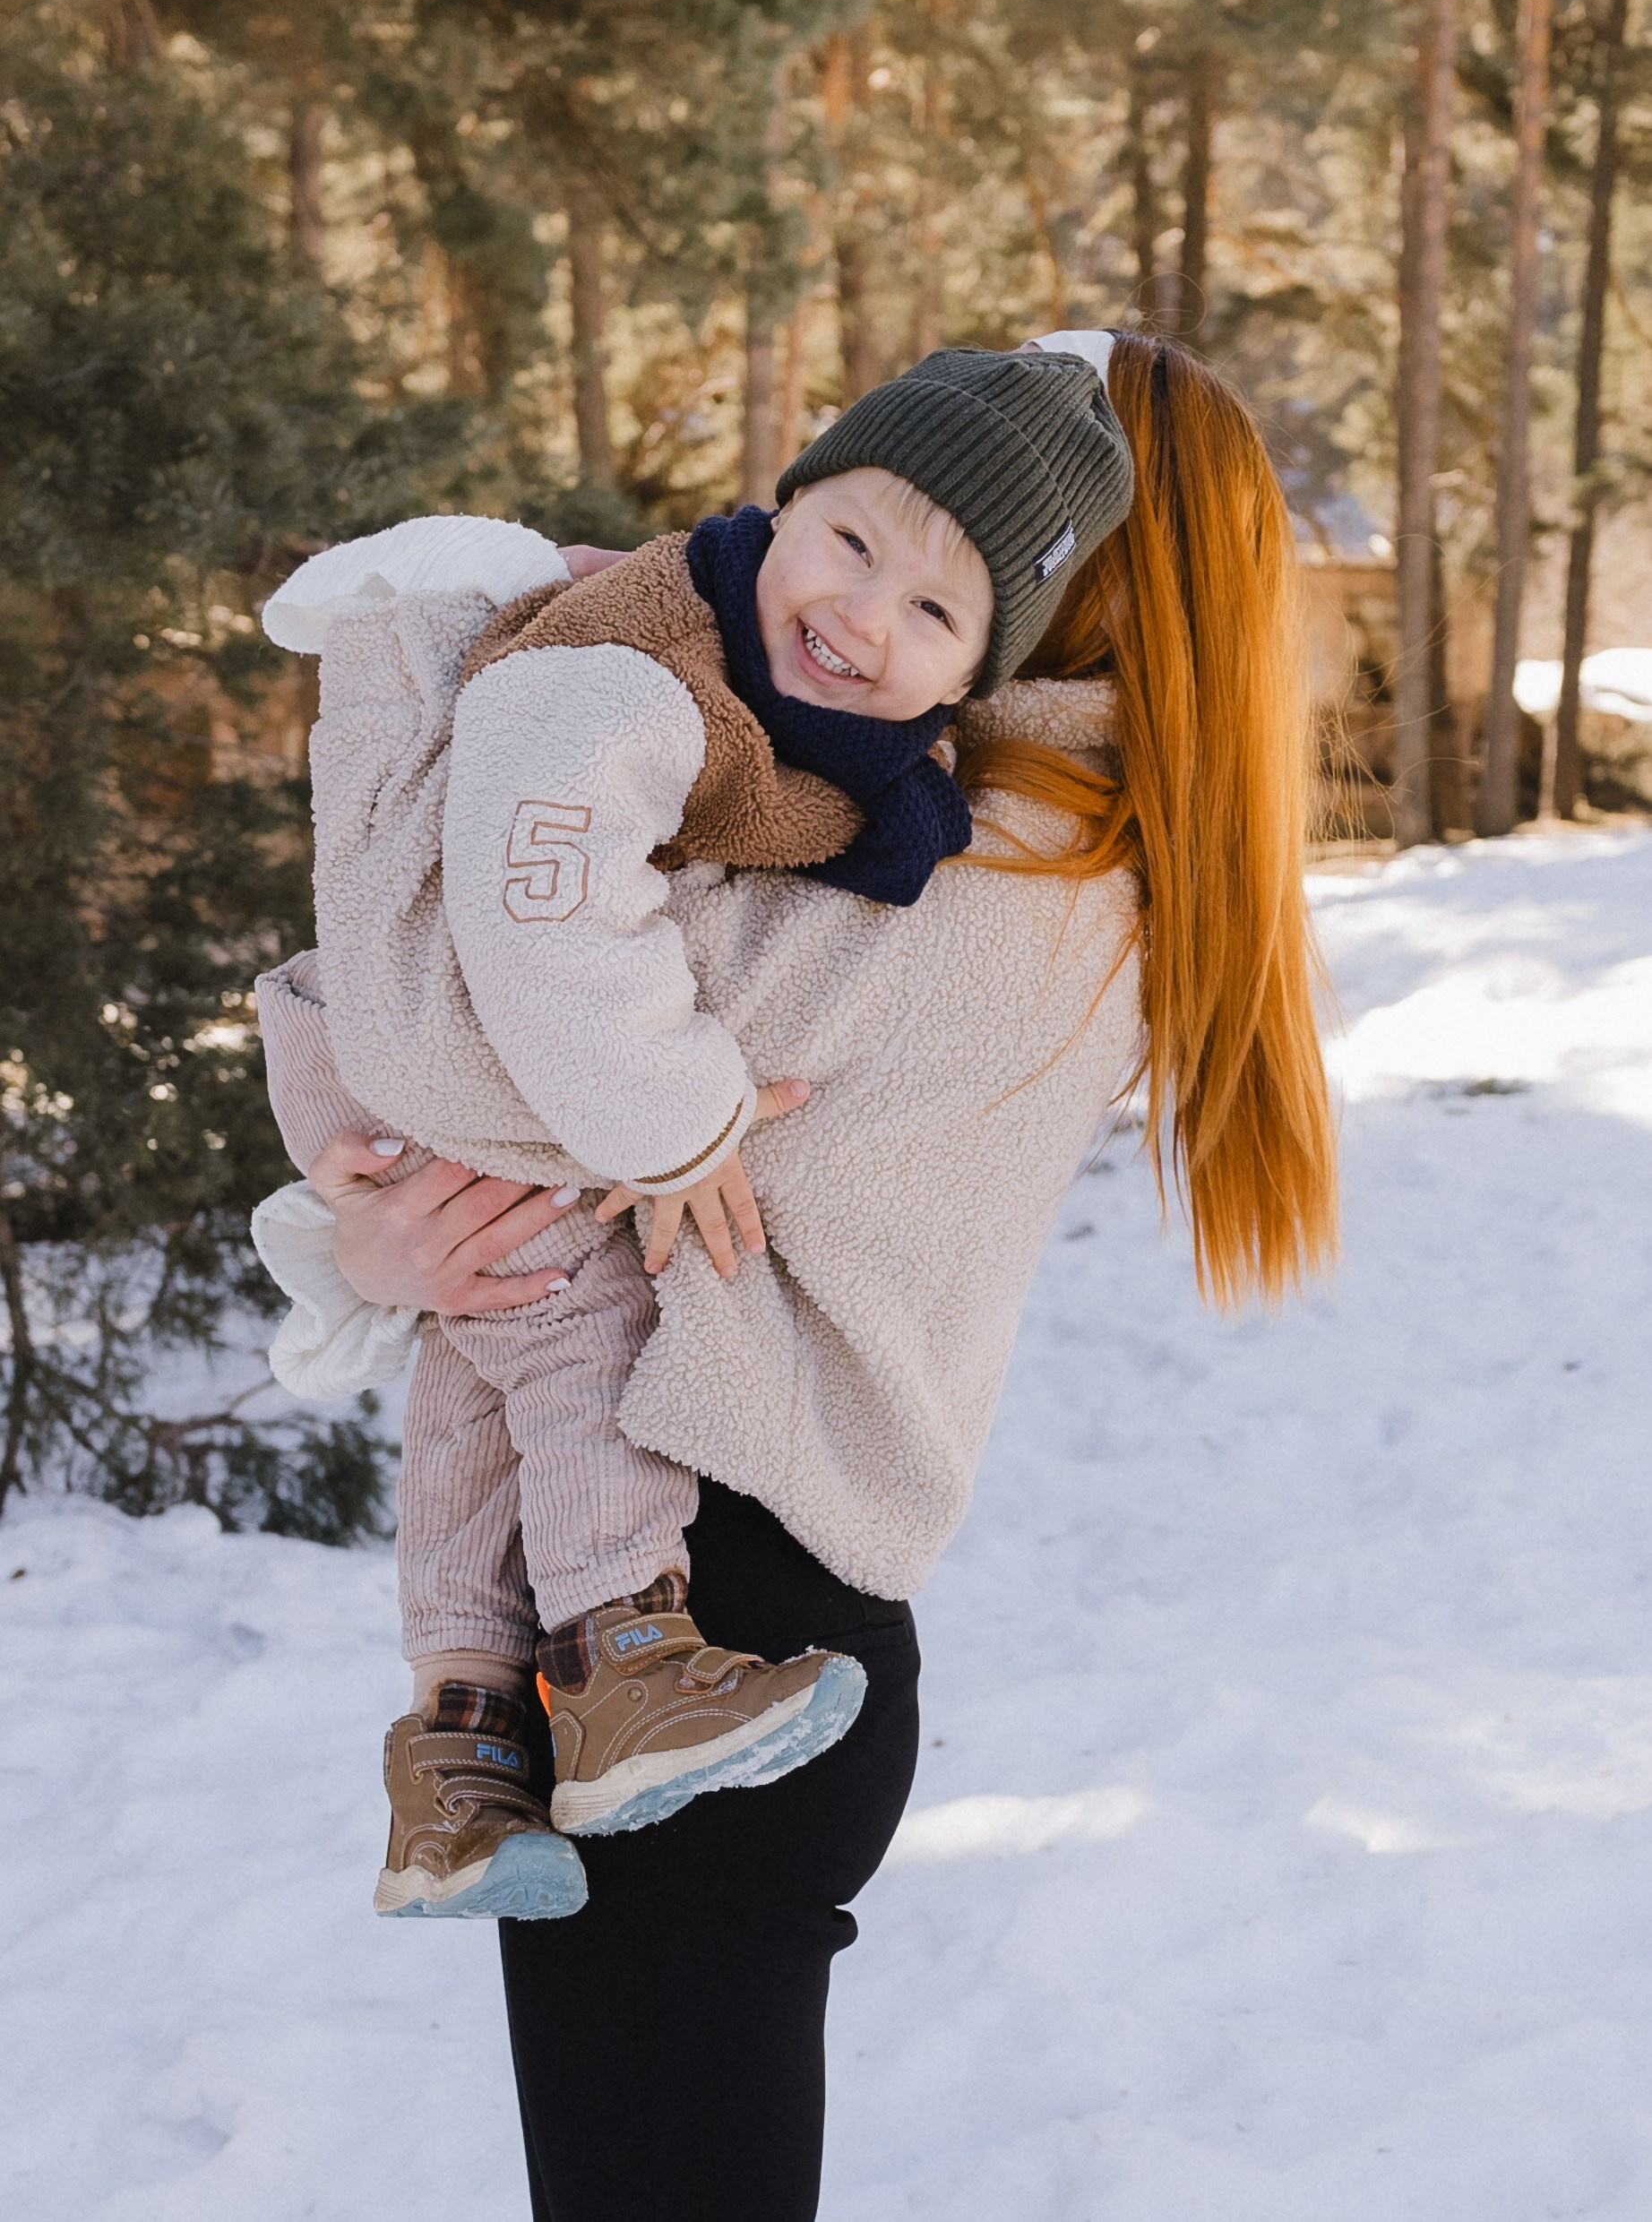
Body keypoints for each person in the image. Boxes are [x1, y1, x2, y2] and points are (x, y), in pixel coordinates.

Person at [254, 330, 1338, 2222]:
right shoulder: (913, 805)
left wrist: (365, 1167)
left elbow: (469, 991)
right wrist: (374, 1227)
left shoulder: (998, 872)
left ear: (1082, 567)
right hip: (666, 1616)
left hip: (702, 1617)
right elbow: (531, 1082)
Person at [253, 346, 1135, 1909]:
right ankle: (611, 1658)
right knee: (564, 1308)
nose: (864, 614)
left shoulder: (999, 848)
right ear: (779, 503)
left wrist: (368, 1215)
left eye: (936, 609)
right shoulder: (658, 657)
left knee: (507, 1327)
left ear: (991, 665)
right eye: (851, 542)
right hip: (710, 1555)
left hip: (395, 1079)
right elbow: (544, 917)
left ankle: (459, 1737)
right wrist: (674, 1121)